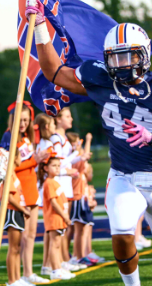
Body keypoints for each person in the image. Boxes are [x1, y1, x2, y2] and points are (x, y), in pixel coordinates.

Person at [28, 0, 152, 286]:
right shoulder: (100, 79)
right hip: (124, 177)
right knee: (121, 232)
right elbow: (53, 70)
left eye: (129, 56)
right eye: (116, 58)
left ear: (144, 55)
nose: (122, 64)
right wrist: (41, 27)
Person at [0, 101, 49, 284]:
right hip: (19, 192)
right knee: (19, 238)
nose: (22, 123)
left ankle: (28, 272)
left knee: (30, 235)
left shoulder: (26, 138)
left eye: (26, 120)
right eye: (19, 120)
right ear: (12, 119)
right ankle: (17, 276)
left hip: (31, 189)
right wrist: (34, 161)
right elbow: (10, 168)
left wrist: (38, 160)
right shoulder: (8, 137)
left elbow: (26, 163)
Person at [50, 108, 88, 271]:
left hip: (66, 183)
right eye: (67, 116)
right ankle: (60, 261)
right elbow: (58, 163)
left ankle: (64, 258)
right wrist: (75, 155)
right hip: (60, 184)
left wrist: (80, 157)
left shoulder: (63, 138)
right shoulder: (56, 138)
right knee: (60, 224)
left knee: (65, 226)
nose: (71, 119)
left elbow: (65, 162)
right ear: (58, 119)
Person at [39, 154, 74, 280]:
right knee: (54, 244)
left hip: (59, 219)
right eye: (54, 166)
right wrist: (64, 216)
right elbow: (53, 203)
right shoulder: (49, 183)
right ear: (46, 168)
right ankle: (55, 270)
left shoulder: (54, 182)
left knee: (58, 244)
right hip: (54, 218)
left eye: (58, 166)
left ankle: (58, 267)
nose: (57, 168)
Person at [2, 149, 32, 286]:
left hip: (18, 212)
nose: (22, 159)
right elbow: (8, 197)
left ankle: (17, 278)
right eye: (20, 156)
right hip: (12, 212)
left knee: (18, 248)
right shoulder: (8, 175)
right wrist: (23, 209)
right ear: (14, 158)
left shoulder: (14, 175)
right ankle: (11, 280)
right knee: (13, 248)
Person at [33, 113, 56, 276]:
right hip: (44, 188)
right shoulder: (45, 144)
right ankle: (47, 264)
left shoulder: (45, 143)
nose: (54, 127)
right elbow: (42, 169)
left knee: (51, 228)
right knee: (50, 228)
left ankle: (49, 263)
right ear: (46, 127)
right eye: (53, 124)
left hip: (44, 186)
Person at [66, 132, 93, 267]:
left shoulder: (74, 158)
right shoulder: (74, 159)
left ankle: (81, 255)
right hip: (76, 196)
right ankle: (77, 256)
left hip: (80, 196)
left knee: (80, 229)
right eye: (77, 142)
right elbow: (85, 160)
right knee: (77, 229)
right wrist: (88, 141)